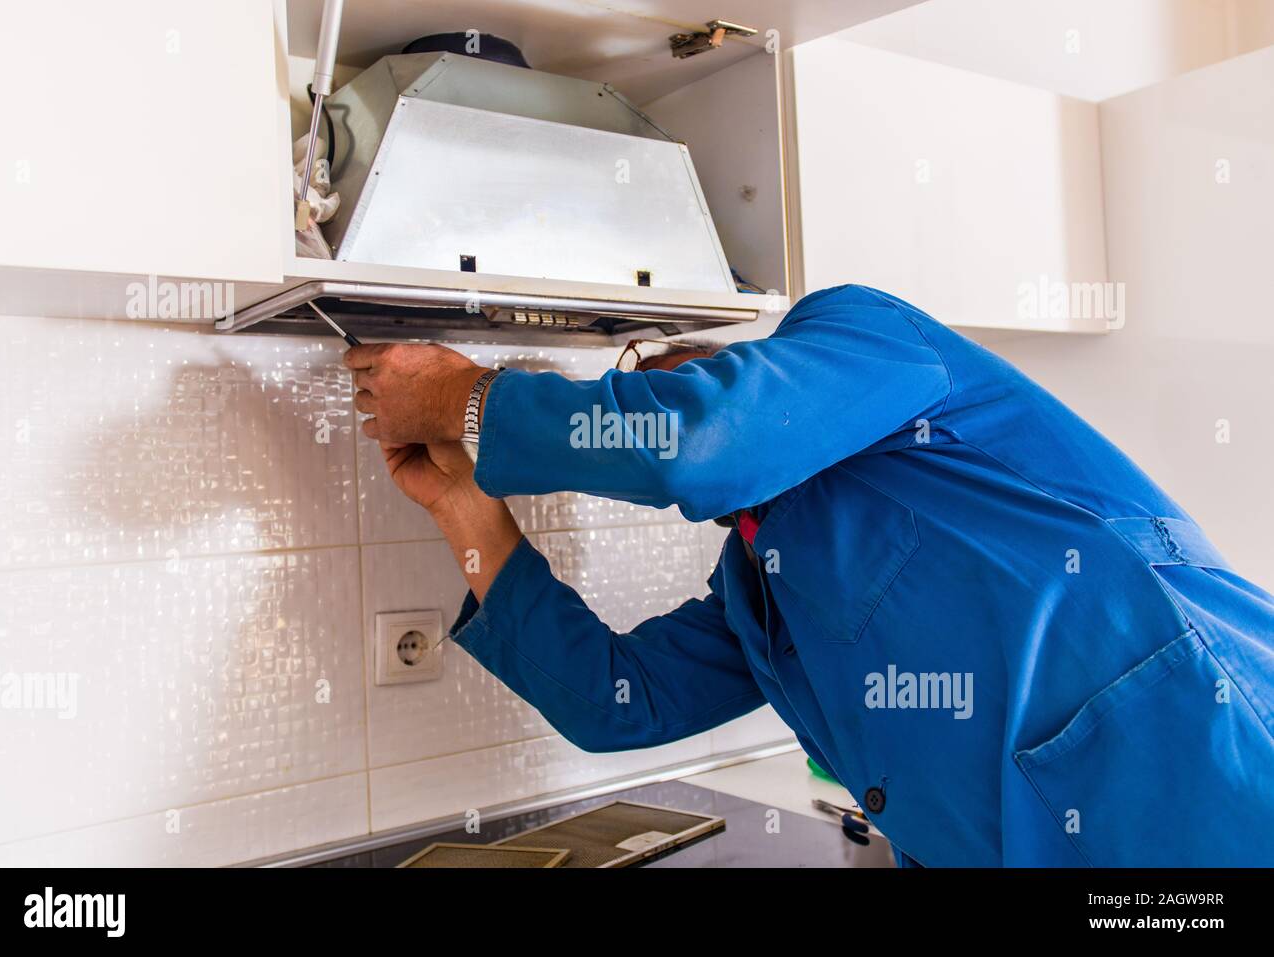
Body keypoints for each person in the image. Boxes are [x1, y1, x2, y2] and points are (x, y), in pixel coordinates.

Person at [344, 283, 1274, 866]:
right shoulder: (758, 592)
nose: (645, 380)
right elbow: (619, 701)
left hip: (1217, 781)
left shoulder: (863, 334)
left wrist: (458, 398)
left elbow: (695, 440)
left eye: (649, 368)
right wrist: (464, 508)